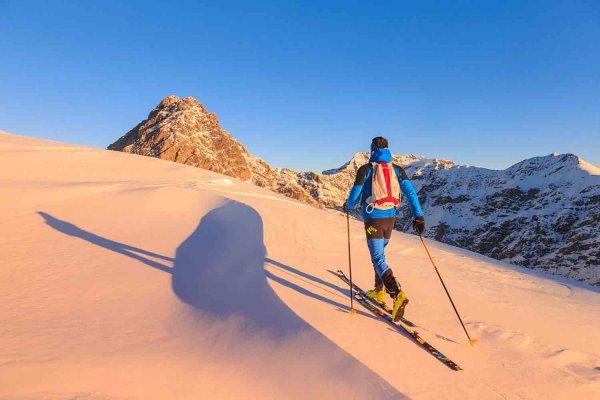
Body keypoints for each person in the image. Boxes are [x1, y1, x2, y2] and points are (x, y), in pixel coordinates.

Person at [344, 136, 425, 321]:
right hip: (391, 220)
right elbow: (411, 193)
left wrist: (347, 207)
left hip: (374, 220)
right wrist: (418, 216)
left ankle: (397, 295)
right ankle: (379, 291)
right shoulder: (396, 169)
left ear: (372, 150)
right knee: (380, 255)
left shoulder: (366, 169)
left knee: (378, 258)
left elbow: (355, 195)